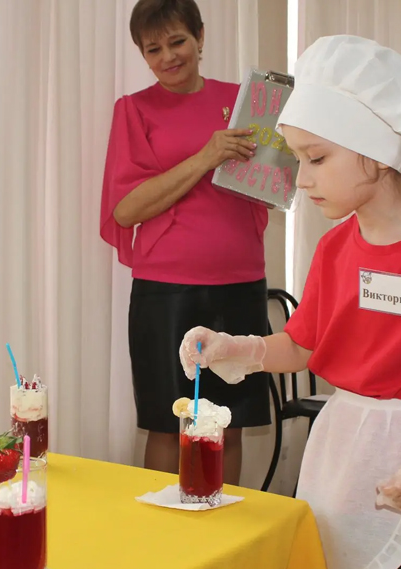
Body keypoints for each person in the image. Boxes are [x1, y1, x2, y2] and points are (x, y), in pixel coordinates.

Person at [179, 35, 401, 569]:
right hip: (335, 457)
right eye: (296, 159)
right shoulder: (335, 249)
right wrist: (233, 349)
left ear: (377, 153)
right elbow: (302, 346)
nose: (302, 178)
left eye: (316, 158)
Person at [99, 0, 271, 485]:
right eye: (153, 49)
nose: (168, 57)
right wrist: (206, 156)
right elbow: (125, 210)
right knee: (168, 422)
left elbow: (273, 184)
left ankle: (222, 524)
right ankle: (160, 526)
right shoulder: (134, 109)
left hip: (241, 281)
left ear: (200, 37)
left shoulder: (243, 101)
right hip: (166, 290)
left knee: (229, 422)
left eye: (177, 42)